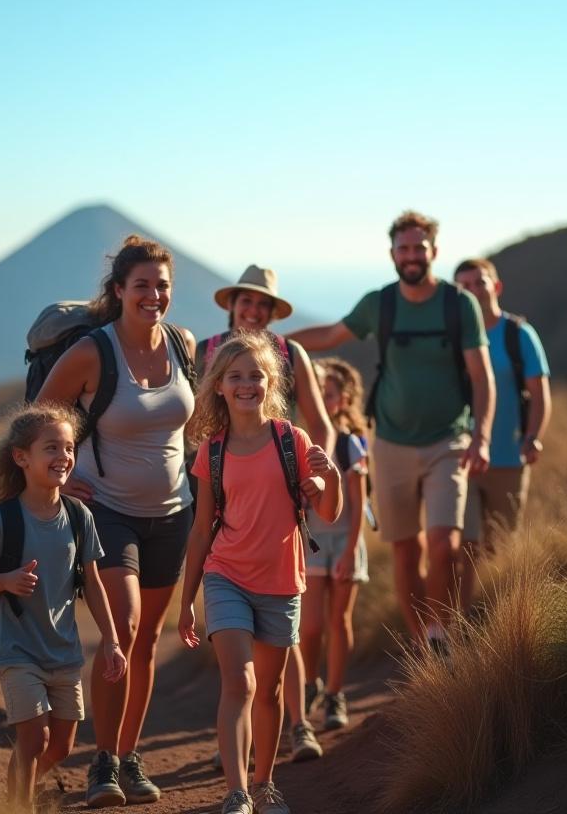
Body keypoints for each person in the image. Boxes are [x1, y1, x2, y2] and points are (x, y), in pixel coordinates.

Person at [36, 235, 196, 807]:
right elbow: (39, 421)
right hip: (108, 513)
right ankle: (101, 764)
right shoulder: (92, 353)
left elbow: (187, 429)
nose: (154, 295)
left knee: (149, 639)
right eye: (142, 286)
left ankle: (129, 757)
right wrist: (63, 470)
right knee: (121, 628)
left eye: (162, 286)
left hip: (175, 514)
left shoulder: (183, 344)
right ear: (119, 291)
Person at [288, 210, 495, 651]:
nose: (411, 256)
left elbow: (481, 376)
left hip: (448, 440)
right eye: (403, 249)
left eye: (419, 248)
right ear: (392, 254)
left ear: (433, 251)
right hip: (392, 444)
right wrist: (278, 341)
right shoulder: (379, 304)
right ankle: (422, 642)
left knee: (444, 543)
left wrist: (482, 437)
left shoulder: (460, 304)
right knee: (405, 551)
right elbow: (332, 334)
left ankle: (441, 632)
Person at [179, 333, 342, 814]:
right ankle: (236, 792)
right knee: (241, 684)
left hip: (282, 581)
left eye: (256, 376)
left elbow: (328, 515)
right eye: (236, 377)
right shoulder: (211, 451)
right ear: (219, 387)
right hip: (226, 574)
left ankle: (265, 783)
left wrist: (330, 477)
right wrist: (187, 599)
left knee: (270, 692)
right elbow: (201, 530)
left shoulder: (292, 441)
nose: (247, 384)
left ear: (270, 383)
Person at [198, 265, 334, 762]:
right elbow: (196, 422)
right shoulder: (206, 350)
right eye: (246, 303)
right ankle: (241, 740)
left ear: (273, 313)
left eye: (263, 306)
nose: (253, 312)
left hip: (286, 488)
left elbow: (320, 424)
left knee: (281, 631)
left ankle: (298, 726)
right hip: (225, 487)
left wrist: (316, 476)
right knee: (238, 641)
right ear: (232, 305)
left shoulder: (290, 355)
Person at [0, 404, 126, 810]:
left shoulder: (78, 515)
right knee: (35, 739)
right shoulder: (4, 520)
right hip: (17, 648)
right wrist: (5, 581)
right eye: (51, 447)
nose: (64, 457)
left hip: (63, 649)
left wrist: (112, 640)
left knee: (62, 746)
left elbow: (94, 584)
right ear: (22, 457)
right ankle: (19, 805)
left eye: (69, 448)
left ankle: (18, 786)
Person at [454, 258, 551, 560]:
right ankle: (465, 607)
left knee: (501, 547)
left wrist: (533, 436)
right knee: (464, 546)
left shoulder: (519, 334)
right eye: (463, 286)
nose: (472, 290)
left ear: (496, 286)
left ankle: (498, 607)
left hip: (509, 458)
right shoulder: (451, 337)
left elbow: (539, 394)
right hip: (458, 458)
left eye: (479, 282)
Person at [301, 358, 369, 730]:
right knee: (310, 626)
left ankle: (336, 695)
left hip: (344, 542)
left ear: (341, 401)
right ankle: (311, 683)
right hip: (311, 544)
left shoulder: (350, 445)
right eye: (316, 393)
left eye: (328, 395)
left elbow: (358, 504)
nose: (321, 400)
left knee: (338, 620)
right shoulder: (298, 442)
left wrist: (350, 549)